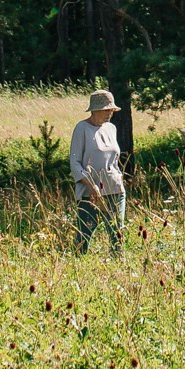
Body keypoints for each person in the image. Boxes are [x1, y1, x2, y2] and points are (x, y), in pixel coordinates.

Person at [70, 89, 127, 255]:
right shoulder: (82, 128)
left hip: (115, 189)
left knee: (117, 234)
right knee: (84, 237)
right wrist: (91, 186)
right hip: (90, 192)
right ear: (94, 110)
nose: (109, 113)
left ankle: (119, 268)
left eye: (111, 110)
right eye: (105, 110)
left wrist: (119, 178)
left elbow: (114, 159)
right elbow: (75, 162)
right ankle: (78, 268)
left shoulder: (111, 128)